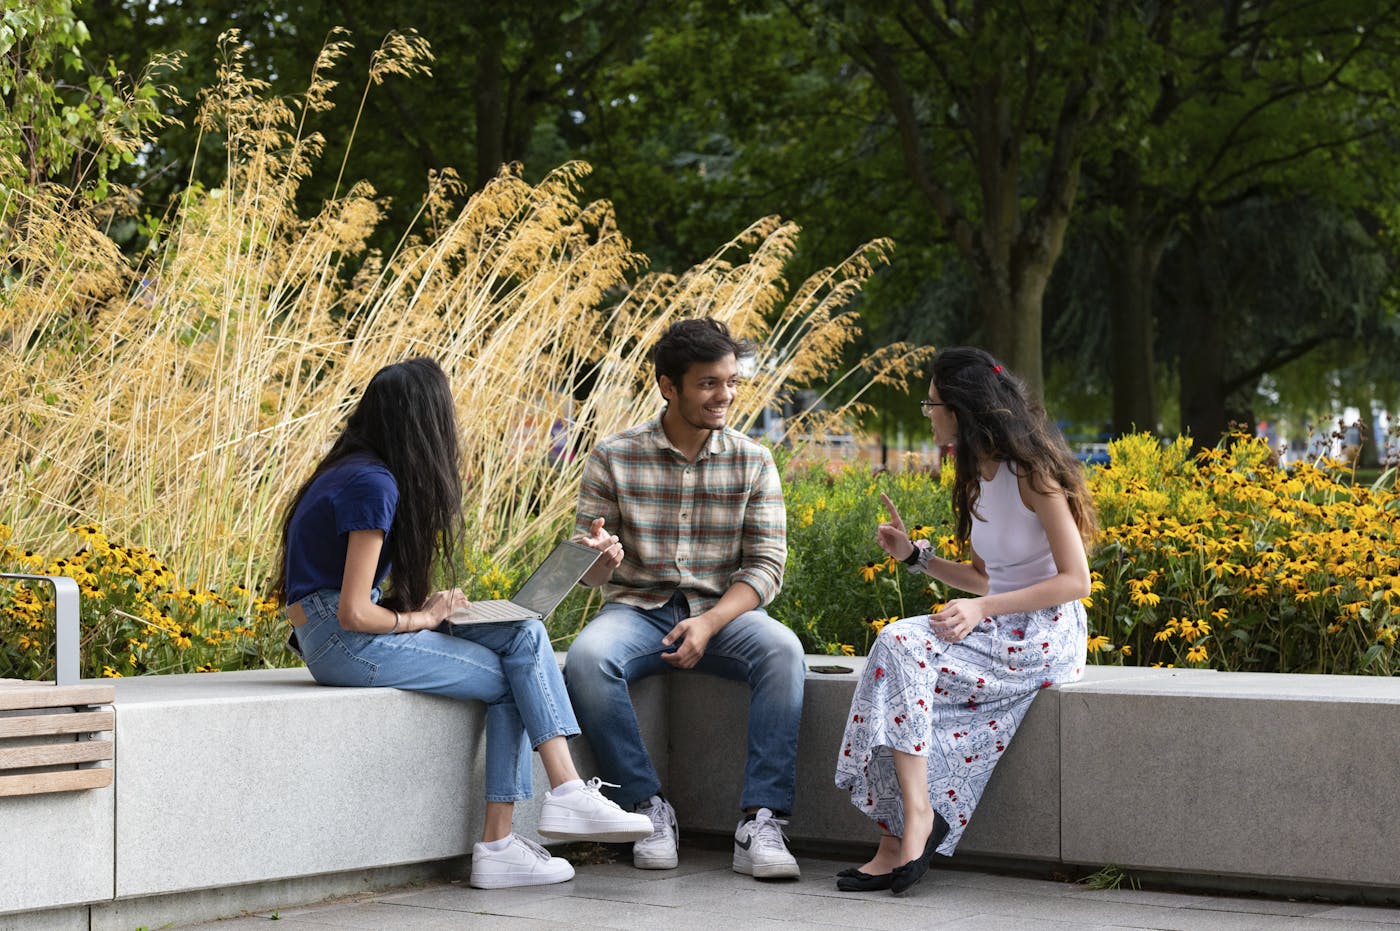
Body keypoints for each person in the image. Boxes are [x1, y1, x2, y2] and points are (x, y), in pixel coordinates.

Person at [275, 357, 652, 891]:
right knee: (515, 679)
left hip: (336, 634)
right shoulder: (373, 485)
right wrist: (423, 616)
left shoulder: (355, 471)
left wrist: (429, 609)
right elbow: (353, 611)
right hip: (347, 642)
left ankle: (551, 806)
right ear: (423, 422)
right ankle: (515, 832)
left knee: (523, 629)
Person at [834, 347, 1096, 895]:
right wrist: (915, 557)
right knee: (896, 662)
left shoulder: (1034, 474)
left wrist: (982, 610)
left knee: (899, 644)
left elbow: (1076, 581)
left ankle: (913, 822)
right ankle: (902, 830)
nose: (927, 413)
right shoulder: (978, 473)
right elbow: (985, 578)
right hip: (1000, 625)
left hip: (1045, 631)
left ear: (960, 408)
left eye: (931, 403)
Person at [564, 318, 806, 879]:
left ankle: (761, 822)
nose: (724, 396)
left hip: (724, 612)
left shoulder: (753, 460)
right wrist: (600, 558)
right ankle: (646, 808)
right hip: (637, 610)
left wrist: (710, 623)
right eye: (708, 384)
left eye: (731, 382)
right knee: (586, 659)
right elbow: (589, 573)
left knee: (784, 652)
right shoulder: (613, 456)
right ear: (668, 386)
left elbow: (767, 565)